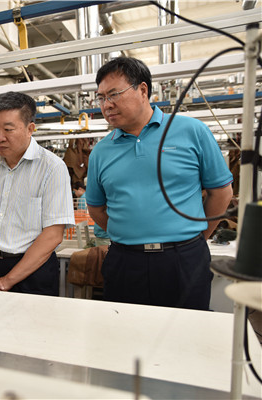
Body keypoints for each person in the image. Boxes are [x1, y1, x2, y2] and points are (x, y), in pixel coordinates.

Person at [86, 57, 233, 310]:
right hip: (125, 261)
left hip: (184, 259)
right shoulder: (101, 151)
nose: (106, 105)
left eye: (114, 94)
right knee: (123, 329)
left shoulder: (192, 131)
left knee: (186, 328)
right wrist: (130, 234)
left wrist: (196, 238)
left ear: (143, 90)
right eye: (101, 98)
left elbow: (221, 192)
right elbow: (96, 208)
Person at [0, 91, 74, 296]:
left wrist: (7, 281)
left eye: (8, 129)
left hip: (33, 272)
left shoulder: (52, 167)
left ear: (30, 129)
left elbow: (53, 234)